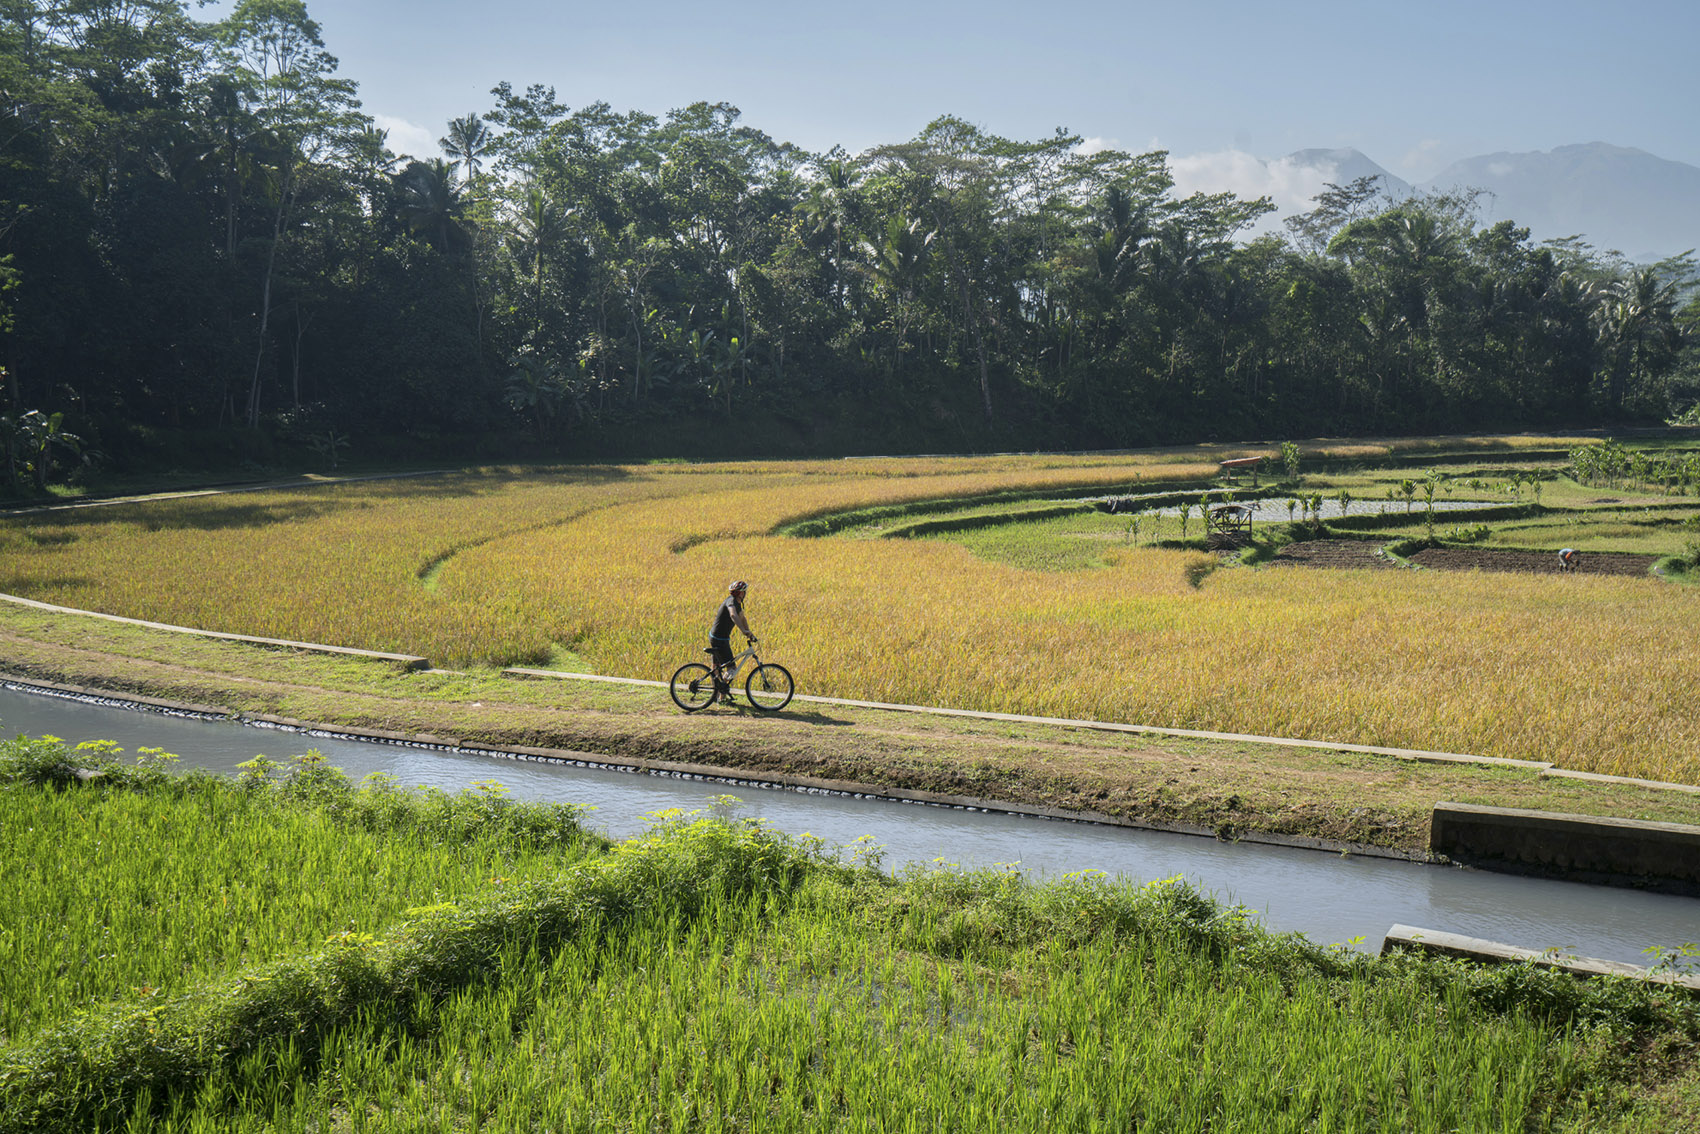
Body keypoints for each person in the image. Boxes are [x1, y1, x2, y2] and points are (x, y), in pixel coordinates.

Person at [708, 580, 755, 702]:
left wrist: (749, 632)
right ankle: (721, 691)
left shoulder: (737, 602)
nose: (746, 594)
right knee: (731, 669)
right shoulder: (731, 602)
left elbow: (742, 617)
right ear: (740, 593)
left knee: (717, 667)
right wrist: (743, 631)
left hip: (718, 637)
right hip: (719, 639)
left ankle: (719, 696)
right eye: (744, 592)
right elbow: (733, 615)